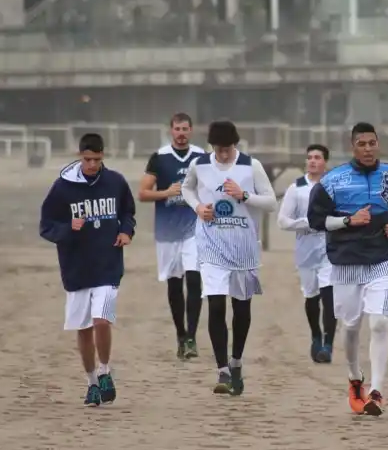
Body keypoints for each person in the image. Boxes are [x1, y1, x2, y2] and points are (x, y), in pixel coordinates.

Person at [307, 122, 388, 416]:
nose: (368, 149)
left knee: (379, 323)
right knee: (351, 327)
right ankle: (355, 379)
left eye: (372, 143)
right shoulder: (333, 181)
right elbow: (316, 220)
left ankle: (376, 391)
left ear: (378, 144)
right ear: (353, 146)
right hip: (346, 261)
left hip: (382, 259)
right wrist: (348, 221)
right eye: (361, 144)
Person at [39, 133, 136, 407]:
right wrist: (69, 228)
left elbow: (128, 212)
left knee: (101, 321)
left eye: (96, 159)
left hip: (108, 264)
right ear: (79, 156)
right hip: (77, 268)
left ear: (104, 155)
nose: (92, 164)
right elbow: (46, 225)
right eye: (87, 159)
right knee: (83, 329)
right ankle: (92, 382)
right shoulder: (63, 187)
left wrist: (126, 232)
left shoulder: (115, 182)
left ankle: (105, 371)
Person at [181, 120, 278, 395]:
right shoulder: (199, 164)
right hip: (211, 243)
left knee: (242, 310)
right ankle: (222, 370)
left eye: (228, 149)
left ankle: (236, 361)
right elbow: (187, 189)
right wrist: (198, 207)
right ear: (212, 147)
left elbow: (271, 202)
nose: (224, 155)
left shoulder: (251, 166)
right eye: (219, 150)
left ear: (236, 144)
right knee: (215, 306)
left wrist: (244, 195)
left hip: (243, 246)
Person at [138, 113, 206, 360]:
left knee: (195, 281)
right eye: (177, 129)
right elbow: (143, 193)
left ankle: (191, 337)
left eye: (185, 129)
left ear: (192, 130)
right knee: (174, 284)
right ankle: (180, 335)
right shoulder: (160, 157)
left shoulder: (201, 156)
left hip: (194, 230)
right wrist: (166, 192)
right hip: (167, 232)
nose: (181, 133)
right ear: (171, 130)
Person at [277, 144, 336, 363]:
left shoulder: (333, 186)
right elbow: (282, 221)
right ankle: (316, 335)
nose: (312, 161)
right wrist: (305, 224)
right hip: (306, 250)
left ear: (325, 162)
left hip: (329, 248)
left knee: (330, 297)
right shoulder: (296, 188)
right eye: (309, 157)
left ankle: (328, 345)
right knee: (311, 296)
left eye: (317, 157)